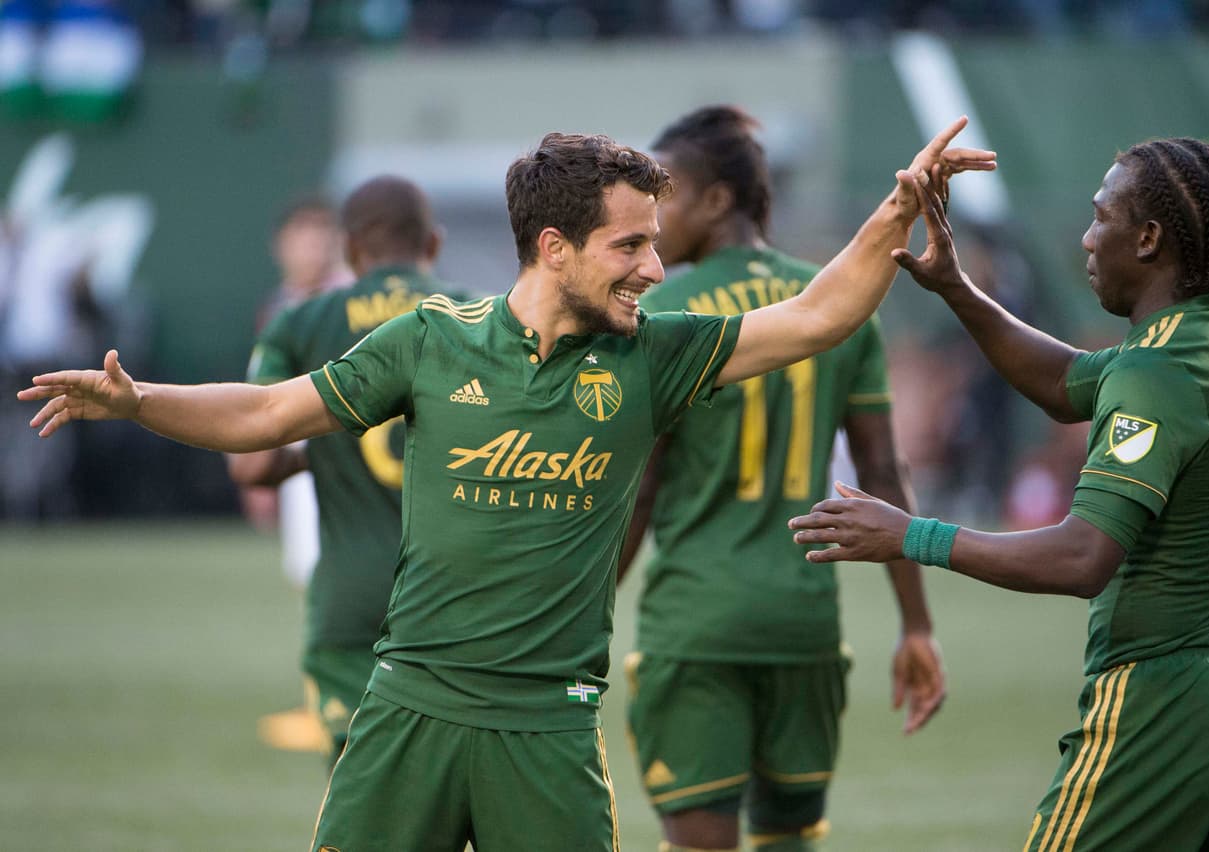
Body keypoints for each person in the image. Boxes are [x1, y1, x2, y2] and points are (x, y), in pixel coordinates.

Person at [19, 122, 994, 851]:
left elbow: (820, 315)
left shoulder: (655, 358)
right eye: (629, 247)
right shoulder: (428, 341)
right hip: (406, 714)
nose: (655, 268)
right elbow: (269, 415)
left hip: (547, 726)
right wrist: (139, 398)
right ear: (553, 248)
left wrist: (900, 201)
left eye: (657, 243)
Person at [789, 138, 1209, 850]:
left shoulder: (1159, 371)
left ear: (1147, 239)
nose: (1086, 238)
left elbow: (1083, 558)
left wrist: (910, 535)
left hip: (1164, 703)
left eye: (1100, 215)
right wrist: (958, 288)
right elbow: (1065, 383)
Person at [617, 105, 945, 852]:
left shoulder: (660, 309)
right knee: (788, 840)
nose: (656, 220)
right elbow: (882, 472)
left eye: (666, 196)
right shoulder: (842, 302)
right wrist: (917, 625)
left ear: (717, 199)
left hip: (695, 624)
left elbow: (642, 486)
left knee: (701, 840)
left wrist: (585, 613)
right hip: (804, 624)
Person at [225, 175, 465, 764]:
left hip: (351, 592)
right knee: (450, 785)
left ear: (350, 249)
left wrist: (318, 449)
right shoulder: (483, 314)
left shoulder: (302, 322)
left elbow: (252, 463)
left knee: (361, 792)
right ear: (431, 243)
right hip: (458, 593)